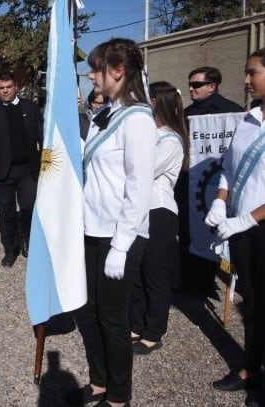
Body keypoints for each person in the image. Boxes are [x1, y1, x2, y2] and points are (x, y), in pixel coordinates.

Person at [79, 38, 157, 407]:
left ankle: (119, 395)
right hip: (92, 229)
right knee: (88, 311)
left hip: (119, 236)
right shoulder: (101, 116)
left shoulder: (139, 120)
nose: (92, 75)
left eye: (97, 68)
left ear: (118, 71)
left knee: (113, 319)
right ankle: (99, 381)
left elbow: (139, 190)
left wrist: (121, 246)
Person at [206, 48, 265, 407]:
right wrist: (219, 201)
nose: (245, 80)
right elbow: (228, 168)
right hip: (242, 230)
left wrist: (246, 219)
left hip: (256, 226)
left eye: (252, 73)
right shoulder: (247, 120)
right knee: (253, 303)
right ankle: (249, 368)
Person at [129, 81, 188, 355]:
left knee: (155, 274)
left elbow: (144, 170)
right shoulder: (148, 133)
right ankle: (136, 323)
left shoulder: (171, 139)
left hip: (159, 212)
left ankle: (154, 331)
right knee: (138, 272)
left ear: (156, 102)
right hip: (138, 210)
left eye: (147, 99)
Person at [177, 66, 245, 295]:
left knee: (216, 233)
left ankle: (212, 278)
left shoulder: (234, 114)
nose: (190, 89)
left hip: (220, 186)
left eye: (196, 85)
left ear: (212, 86)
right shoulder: (185, 114)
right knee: (188, 232)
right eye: (190, 84)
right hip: (189, 183)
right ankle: (192, 282)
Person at [0, 71, 43, 267]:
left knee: (28, 209)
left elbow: (43, 138)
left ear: (16, 87)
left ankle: (26, 242)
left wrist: (46, 168)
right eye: (1, 88)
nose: (5, 91)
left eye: (9, 87)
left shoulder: (31, 108)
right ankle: (10, 249)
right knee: (6, 213)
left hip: (27, 171)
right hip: (1, 173)